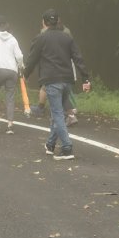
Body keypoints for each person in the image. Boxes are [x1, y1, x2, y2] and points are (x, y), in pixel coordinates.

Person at [23, 9, 91, 160]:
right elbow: (78, 58)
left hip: (52, 80)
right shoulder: (67, 38)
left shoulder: (41, 38)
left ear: (44, 22)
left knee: (58, 115)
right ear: (57, 21)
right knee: (56, 114)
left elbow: (32, 59)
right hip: (67, 81)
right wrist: (86, 78)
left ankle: (67, 147)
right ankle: (50, 144)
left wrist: (25, 75)